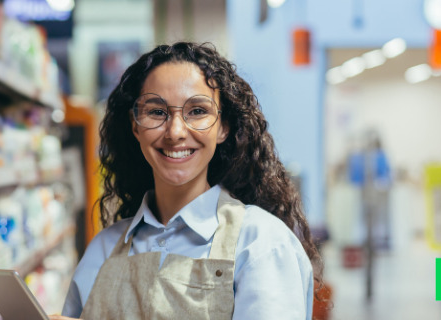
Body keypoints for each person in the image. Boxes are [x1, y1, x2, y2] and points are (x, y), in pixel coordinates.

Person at [52, 42, 322, 320]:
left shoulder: (260, 244)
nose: (176, 132)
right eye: (157, 112)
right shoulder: (103, 251)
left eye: (197, 111)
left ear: (223, 127)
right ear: (136, 127)